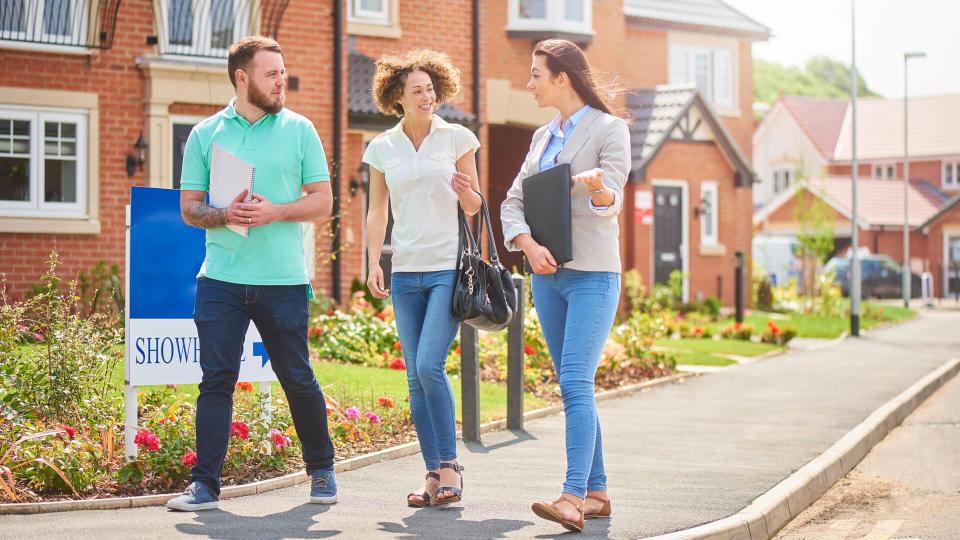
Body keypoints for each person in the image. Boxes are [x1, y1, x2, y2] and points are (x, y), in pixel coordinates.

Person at [166, 36, 338, 511]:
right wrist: (225, 215)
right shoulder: (205, 135)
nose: (281, 81)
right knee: (216, 380)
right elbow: (189, 208)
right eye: (271, 74)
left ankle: (322, 470)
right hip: (220, 277)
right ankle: (204, 485)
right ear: (242, 78)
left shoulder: (301, 130)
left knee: (296, 376)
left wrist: (276, 211)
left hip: (282, 279)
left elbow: (323, 202)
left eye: (282, 72)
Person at [500, 39, 630, 533]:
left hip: (593, 275)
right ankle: (597, 492)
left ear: (563, 78)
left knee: (576, 382)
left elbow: (612, 199)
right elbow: (513, 202)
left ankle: (572, 496)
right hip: (547, 277)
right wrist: (528, 247)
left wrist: (597, 187)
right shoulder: (539, 138)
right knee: (573, 385)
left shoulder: (608, 129)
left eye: (536, 74)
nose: (528, 84)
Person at [363, 49, 481, 508]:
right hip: (405, 270)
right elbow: (377, 210)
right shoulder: (382, 148)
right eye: (417, 91)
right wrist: (375, 261)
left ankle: (451, 465)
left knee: (430, 364)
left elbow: (474, 207)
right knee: (414, 376)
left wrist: (467, 193)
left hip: (446, 268)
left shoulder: (457, 138)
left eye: (431, 88)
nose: (427, 96)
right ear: (398, 97)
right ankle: (433, 474)